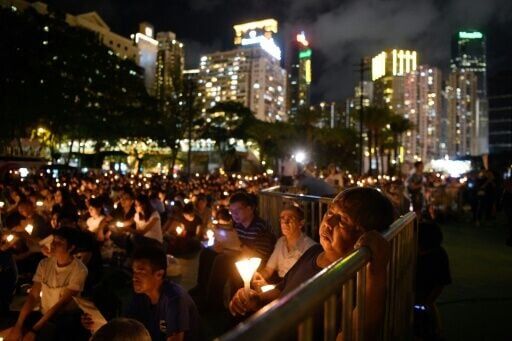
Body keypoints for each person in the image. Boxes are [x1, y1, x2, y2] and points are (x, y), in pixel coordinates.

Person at [229, 187, 395, 341]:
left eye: (343, 220)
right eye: (330, 212)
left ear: (364, 235)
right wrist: (256, 299)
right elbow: (283, 290)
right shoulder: (313, 252)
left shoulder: (355, 280)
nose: (328, 223)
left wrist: (376, 272)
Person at [83, 246, 200, 341]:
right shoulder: (141, 295)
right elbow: (126, 327)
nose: (134, 277)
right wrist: (98, 325)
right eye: (134, 271)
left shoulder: (174, 299)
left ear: (159, 274)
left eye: (141, 271)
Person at [5, 227, 88, 341]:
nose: (53, 245)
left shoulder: (79, 270)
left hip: (65, 318)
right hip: (43, 314)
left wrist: (34, 330)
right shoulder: (44, 264)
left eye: (59, 242)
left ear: (71, 247)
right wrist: (18, 326)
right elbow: (33, 296)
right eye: (53, 241)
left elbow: (61, 304)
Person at [252, 206, 316, 289]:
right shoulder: (280, 242)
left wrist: (272, 287)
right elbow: (268, 270)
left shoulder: (310, 247)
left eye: (290, 218)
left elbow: (305, 281)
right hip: (279, 285)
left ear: (301, 223)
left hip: (296, 289)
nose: (285, 222)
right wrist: (259, 276)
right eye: (282, 218)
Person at [414, 222, 451, 340]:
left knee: (427, 315)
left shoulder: (438, 256)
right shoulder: (439, 253)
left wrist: (429, 300)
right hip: (421, 294)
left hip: (426, 294)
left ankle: (435, 332)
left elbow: (441, 283)